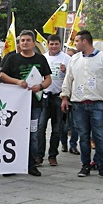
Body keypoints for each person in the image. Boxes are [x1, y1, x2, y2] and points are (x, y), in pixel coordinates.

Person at [60, 30, 103, 181]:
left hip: (98, 104)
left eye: (77, 41)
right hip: (79, 104)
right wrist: (64, 97)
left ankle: (102, 167)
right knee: (83, 136)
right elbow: (68, 80)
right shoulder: (74, 59)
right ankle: (85, 165)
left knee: (100, 137)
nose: (75, 44)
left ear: (85, 41)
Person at [0, 30, 52, 177]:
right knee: (13, 132)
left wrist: (40, 86)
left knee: (33, 135)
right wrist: (17, 82)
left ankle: (31, 164)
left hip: (35, 104)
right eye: (22, 41)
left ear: (34, 43)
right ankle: (11, 164)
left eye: (28, 40)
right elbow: (2, 74)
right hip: (16, 105)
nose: (25, 43)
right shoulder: (12, 58)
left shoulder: (41, 59)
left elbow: (48, 79)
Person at [37, 34, 69, 166]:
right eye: (51, 44)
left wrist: (65, 70)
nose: (54, 46)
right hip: (44, 97)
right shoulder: (42, 58)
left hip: (58, 97)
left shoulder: (67, 58)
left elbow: (71, 77)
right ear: (47, 45)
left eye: (56, 44)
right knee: (40, 128)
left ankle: (52, 155)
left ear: (60, 44)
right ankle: (39, 155)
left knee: (57, 129)